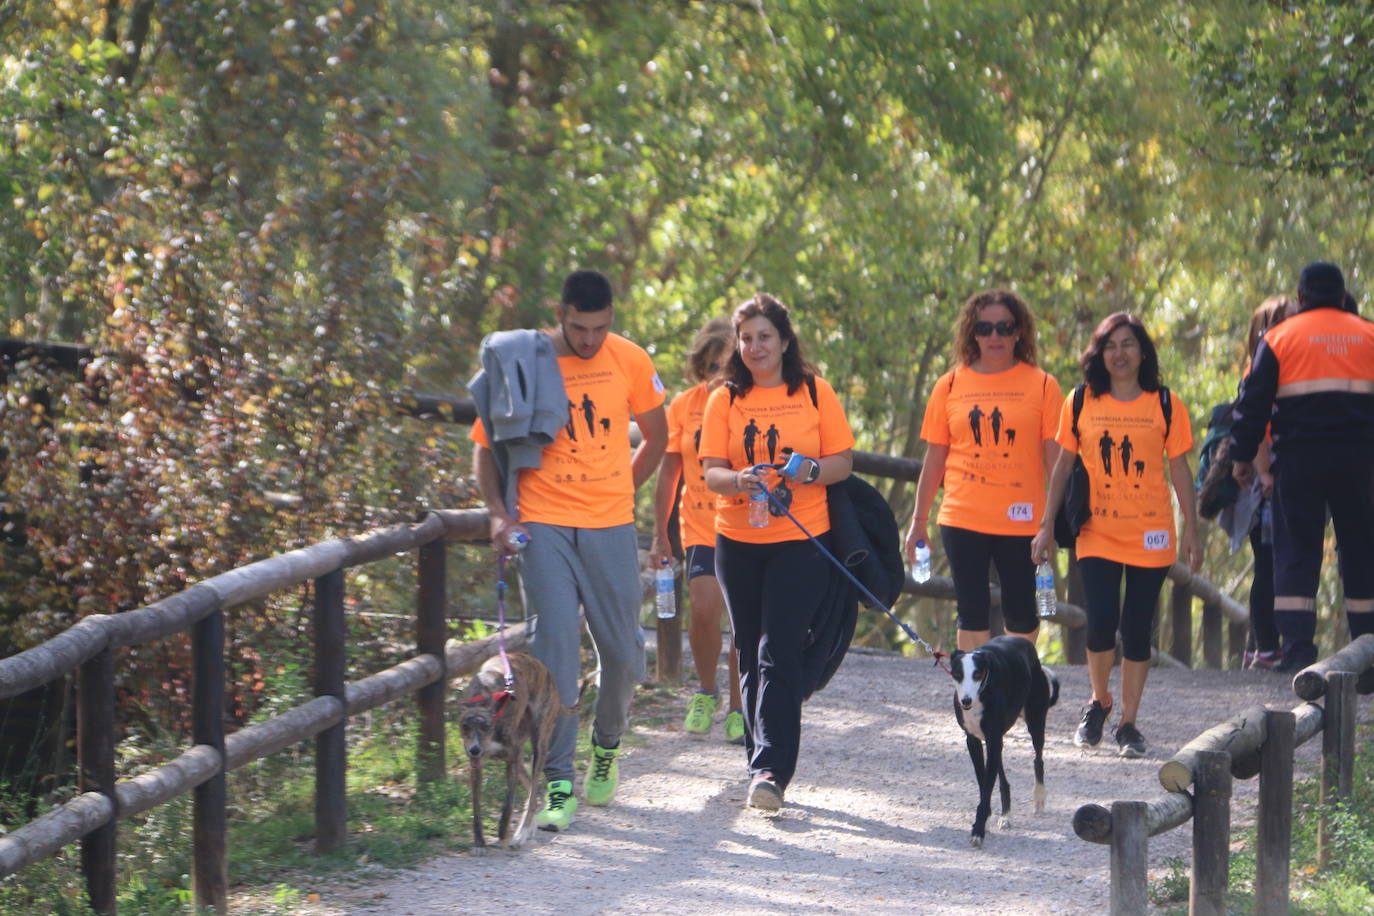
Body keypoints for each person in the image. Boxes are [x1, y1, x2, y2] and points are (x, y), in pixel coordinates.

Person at [470, 269, 668, 832]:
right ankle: (558, 780)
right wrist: (498, 515)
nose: (589, 340)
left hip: (609, 524)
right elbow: (485, 448)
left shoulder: (629, 359)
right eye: (579, 328)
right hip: (545, 523)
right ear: (560, 313)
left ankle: (606, 742)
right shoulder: (525, 359)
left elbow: (658, 435)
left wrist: (623, 487)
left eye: (600, 328)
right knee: (555, 654)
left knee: (626, 654)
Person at [699, 293, 855, 811]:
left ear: (785, 341)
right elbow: (712, 472)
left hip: (801, 538)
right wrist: (740, 479)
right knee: (748, 650)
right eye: (746, 338)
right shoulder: (723, 399)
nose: (755, 347)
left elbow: (842, 461)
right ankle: (758, 764)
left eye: (765, 336)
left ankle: (772, 769)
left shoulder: (814, 391)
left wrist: (808, 470)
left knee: (778, 650)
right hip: (738, 541)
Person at [1032, 312, 1202, 758]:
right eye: (1110, 345)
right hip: (1098, 530)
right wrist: (1046, 524)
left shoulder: (1165, 403)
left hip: (1151, 531)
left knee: (1137, 626)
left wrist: (1193, 530)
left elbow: (1180, 469)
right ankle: (1098, 700)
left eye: (1127, 344)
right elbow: (1063, 466)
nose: (1119, 354)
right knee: (1102, 618)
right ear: (1098, 354)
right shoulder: (1081, 401)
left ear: (1142, 352)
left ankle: (1128, 723)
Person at [1229, 262, 1374, 672]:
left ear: (1300, 295)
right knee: (1362, 551)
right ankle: (1366, 654)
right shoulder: (1369, 334)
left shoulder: (1278, 338)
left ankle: (1296, 654)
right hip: (1359, 461)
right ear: (1343, 292)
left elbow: (1252, 406)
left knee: (1296, 553)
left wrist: (1242, 458)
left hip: (1299, 461)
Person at [905, 289, 1063, 652]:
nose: (995, 336)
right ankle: (974, 697)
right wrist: (918, 520)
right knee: (971, 611)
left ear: (1019, 331)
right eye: (985, 328)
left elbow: (1055, 462)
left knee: (1022, 614)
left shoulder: (1043, 384)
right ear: (971, 333)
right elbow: (935, 458)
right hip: (963, 516)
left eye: (1004, 327)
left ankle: (1016, 688)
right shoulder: (949, 385)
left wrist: (1051, 521)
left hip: (1022, 520)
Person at [649, 318, 746, 743]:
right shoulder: (682, 406)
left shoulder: (751, 404)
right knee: (704, 610)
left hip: (745, 523)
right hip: (699, 526)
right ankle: (706, 692)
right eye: (707, 366)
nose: (714, 375)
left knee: (744, 624)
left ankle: (741, 706)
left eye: (722, 366)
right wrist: (659, 533)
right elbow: (669, 474)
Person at [1220, 296, 1292, 669]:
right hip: (1266, 485)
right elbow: (1258, 428)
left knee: (1278, 562)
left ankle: (1263, 645)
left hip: (1284, 479)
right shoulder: (1259, 371)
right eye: (1278, 321)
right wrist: (1264, 473)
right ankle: (1266, 646)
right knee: (1268, 564)